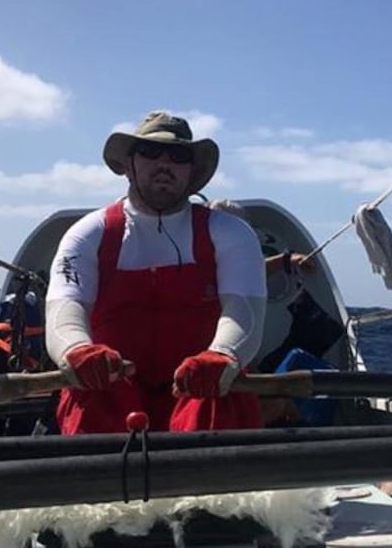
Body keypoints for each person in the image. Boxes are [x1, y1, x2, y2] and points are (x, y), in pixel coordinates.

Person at [44, 111, 267, 434]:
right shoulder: (88, 233)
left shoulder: (232, 233)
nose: (164, 164)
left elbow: (244, 311)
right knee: (90, 396)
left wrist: (222, 355)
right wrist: (78, 350)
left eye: (178, 156)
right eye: (149, 152)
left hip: (203, 392)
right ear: (129, 165)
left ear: (191, 171)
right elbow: (65, 310)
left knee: (219, 395)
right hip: (110, 392)